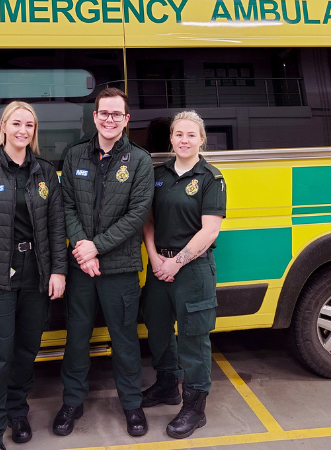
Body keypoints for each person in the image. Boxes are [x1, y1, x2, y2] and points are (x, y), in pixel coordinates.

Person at [0, 101, 67, 450]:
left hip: (35, 274)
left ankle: (17, 412)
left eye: (30, 125)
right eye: (17, 123)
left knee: (25, 351)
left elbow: (55, 227)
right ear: (3, 126)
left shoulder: (45, 173)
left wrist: (57, 271)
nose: (23, 130)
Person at [53, 88, 154, 437]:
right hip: (82, 268)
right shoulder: (75, 155)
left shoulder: (139, 160)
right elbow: (66, 205)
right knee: (76, 338)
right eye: (104, 113)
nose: (109, 119)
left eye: (117, 114)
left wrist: (94, 248)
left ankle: (132, 405)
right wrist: (82, 247)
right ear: (94, 117)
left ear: (127, 120)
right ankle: (72, 402)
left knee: (124, 340)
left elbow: (136, 214)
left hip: (121, 268)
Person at [140, 111, 226, 439]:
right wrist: (155, 259)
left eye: (191, 135)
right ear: (171, 138)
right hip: (159, 266)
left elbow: (209, 231)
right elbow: (147, 221)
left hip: (192, 269)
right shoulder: (157, 174)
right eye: (178, 134)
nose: (184, 140)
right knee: (158, 330)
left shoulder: (210, 178)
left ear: (201, 139)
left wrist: (175, 263)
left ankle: (194, 406)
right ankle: (166, 386)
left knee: (193, 339)